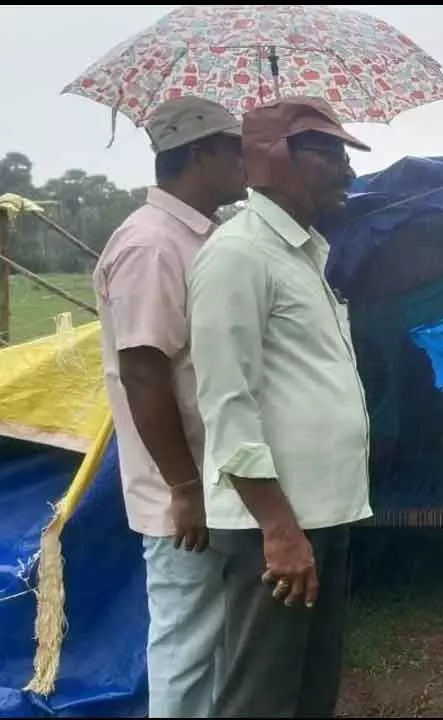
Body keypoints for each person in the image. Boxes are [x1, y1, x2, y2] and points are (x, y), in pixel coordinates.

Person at [187, 96, 373, 718]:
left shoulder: (303, 256)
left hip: (322, 513)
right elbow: (226, 402)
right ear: (275, 160)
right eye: (332, 155)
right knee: (261, 699)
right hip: (278, 523)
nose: (348, 171)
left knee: (309, 691)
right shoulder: (237, 254)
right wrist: (279, 528)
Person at [92, 95, 246, 718]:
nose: (245, 162)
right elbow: (143, 373)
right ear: (201, 152)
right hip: (184, 491)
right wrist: (184, 486)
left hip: (212, 477)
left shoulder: (202, 236)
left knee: (215, 642)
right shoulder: (152, 246)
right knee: (186, 646)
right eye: (234, 149)